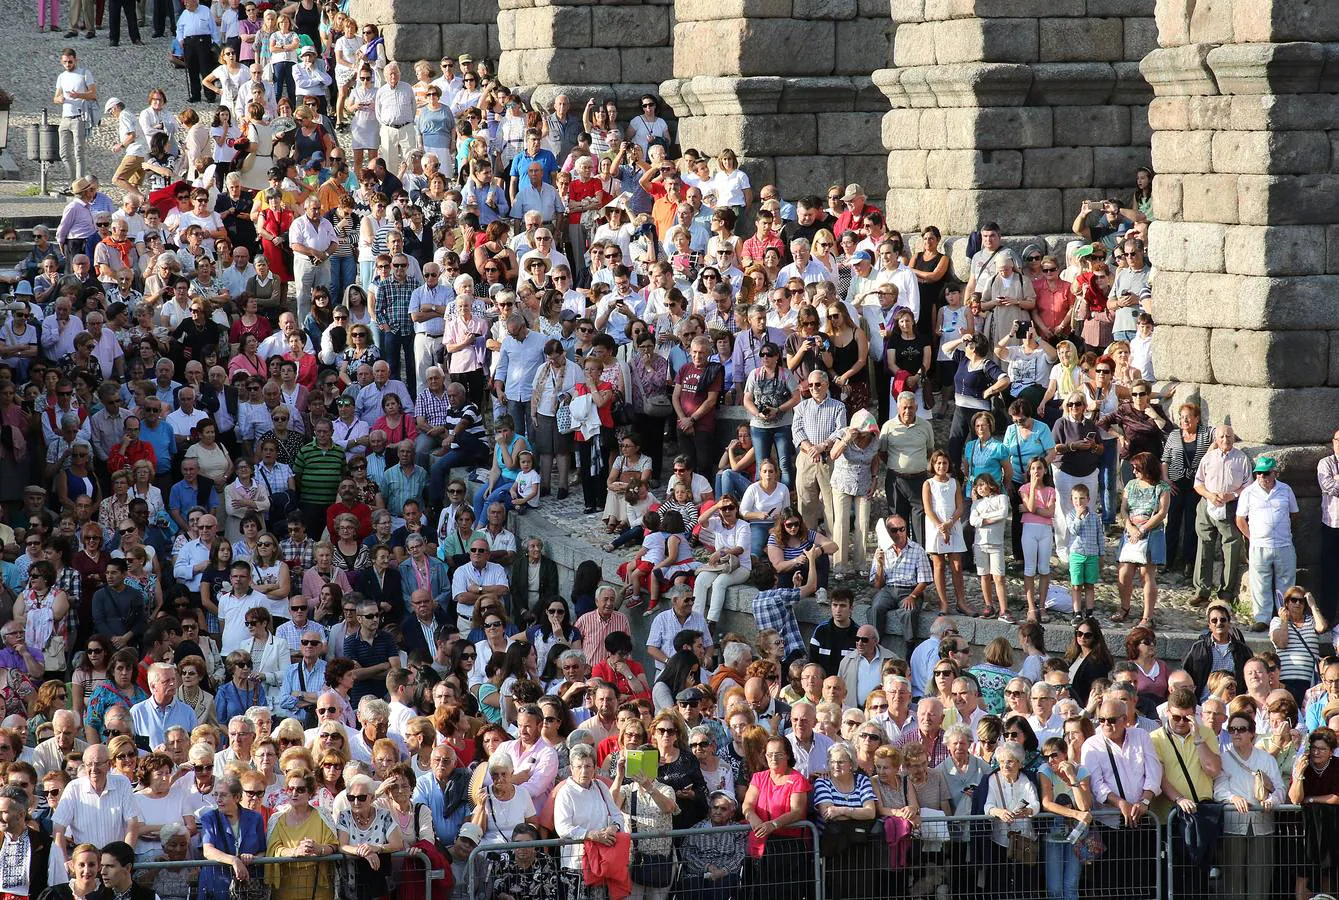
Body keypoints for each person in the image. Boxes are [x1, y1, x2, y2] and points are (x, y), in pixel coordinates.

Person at [1213, 710, 1283, 900]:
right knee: (1233, 882)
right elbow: (1218, 788)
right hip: (1233, 826)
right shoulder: (1224, 758)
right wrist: (1232, 798)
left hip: (1262, 826)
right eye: (1232, 729)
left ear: (1252, 733)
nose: (1236, 733)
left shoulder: (1266, 759)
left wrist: (1271, 801)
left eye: (1241, 729)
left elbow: (1280, 789)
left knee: (1259, 882)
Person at [1235, 455, 1299, 633]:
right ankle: (1262, 618)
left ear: (1274, 473)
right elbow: (1240, 519)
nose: (1261, 477)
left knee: (1286, 583)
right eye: (1258, 473)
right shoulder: (1248, 492)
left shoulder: (1286, 490)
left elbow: (1294, 514)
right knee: (1260, 583)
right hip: (1259, 546)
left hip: (1283, 544)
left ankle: (1286, 616)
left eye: (1265, 473)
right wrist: (1252, 537)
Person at [741, 736, 810, 900]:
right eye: (770, 754)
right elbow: (747, 805)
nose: (773, 758)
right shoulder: (759, 777)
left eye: (779, 754)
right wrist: (753, 819)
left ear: (787, 755)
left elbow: (797, 811)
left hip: (788, 848)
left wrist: (774, 824)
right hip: (760, 843)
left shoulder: (797, 779)